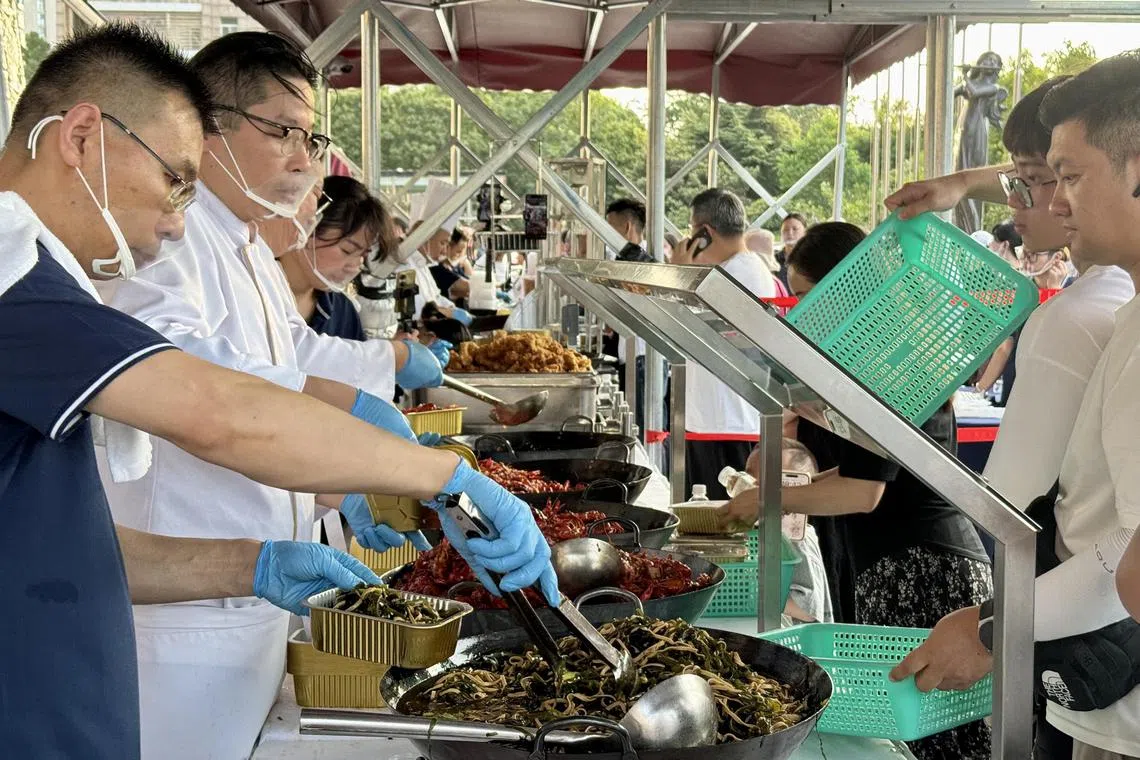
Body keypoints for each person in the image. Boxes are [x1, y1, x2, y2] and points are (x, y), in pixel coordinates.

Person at [0, 23, 555, 759]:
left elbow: (55, 545)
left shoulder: (51, 277)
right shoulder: (12, 277)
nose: (174, 223)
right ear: (81, 138)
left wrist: (252, 562)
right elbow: (216, 410)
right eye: (174, 182)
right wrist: (444, 478)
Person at [889, 53, 1140, 760]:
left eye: (1063, 178)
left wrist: (994, 627)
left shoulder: (1090, 321)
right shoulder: (1121, 309)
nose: (1043, 203)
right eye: (1038, 180)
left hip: (1113, 704)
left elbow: (1122, 556)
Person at [718, 221, 994, 760]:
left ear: (841, 287)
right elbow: (855, 476)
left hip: (923, 569)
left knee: (936, 740)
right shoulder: (860, 354)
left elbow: (864, 492)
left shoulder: (892, 355)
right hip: (882, 560)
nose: (799, 311)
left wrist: (767, 499)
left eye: (804, 295)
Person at [886, 75, 1134, 519]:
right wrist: (959, 182)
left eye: (1063, 177)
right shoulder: (1117, 296)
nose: (1016, 200)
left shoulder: (1074, 317)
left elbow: (1008, 502)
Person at [672, 189, 777, 500]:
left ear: (705, 232)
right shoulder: (732, 269)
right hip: (716, 419)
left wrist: (682, 272)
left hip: (727, 422)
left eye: (692, 230)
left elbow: (684, 325)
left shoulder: (738, 274)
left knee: (717, 520)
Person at [605, 197, 655, 263]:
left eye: (611, 228)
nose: (607, 233)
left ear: (627, 227)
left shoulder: (609, 258)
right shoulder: (653, 256)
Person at [774, 211, 807, 286]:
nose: (790, 233)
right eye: (785, 229)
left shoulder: (813, 259)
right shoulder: (773, 260)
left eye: (795, 229)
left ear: (805, 232)